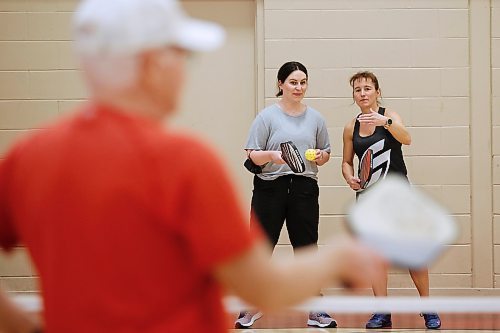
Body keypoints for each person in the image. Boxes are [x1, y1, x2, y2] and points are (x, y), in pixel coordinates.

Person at [0, 1, 387, 333]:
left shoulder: (28, 156)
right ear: (151, 63)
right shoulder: (184, 162)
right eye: (182, 55)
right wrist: (340, 257)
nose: (185, 70)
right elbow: (261, 287)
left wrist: (24, 326)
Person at [236, 61, 336, 329]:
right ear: (280, 85)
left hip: (304, 188)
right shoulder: (266, 117)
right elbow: (252, 154)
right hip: (270, 187)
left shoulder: (316, 118)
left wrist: (322, 156)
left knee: (306, 249)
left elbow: (325, 153)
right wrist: (272, 155)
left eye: (303, 82)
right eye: (293, 82)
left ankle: (315, 309)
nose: (298, 87)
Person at [341, 70, 441, 330]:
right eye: (357, 89)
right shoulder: (350, 127)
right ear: (354, 95)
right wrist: (350, 177)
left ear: (377, 92)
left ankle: (427, 308)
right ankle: (382, 312)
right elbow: (346, 162)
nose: (362, 93)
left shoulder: (390, 116)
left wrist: (385, 122)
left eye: (367, 88)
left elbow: (407, 139)